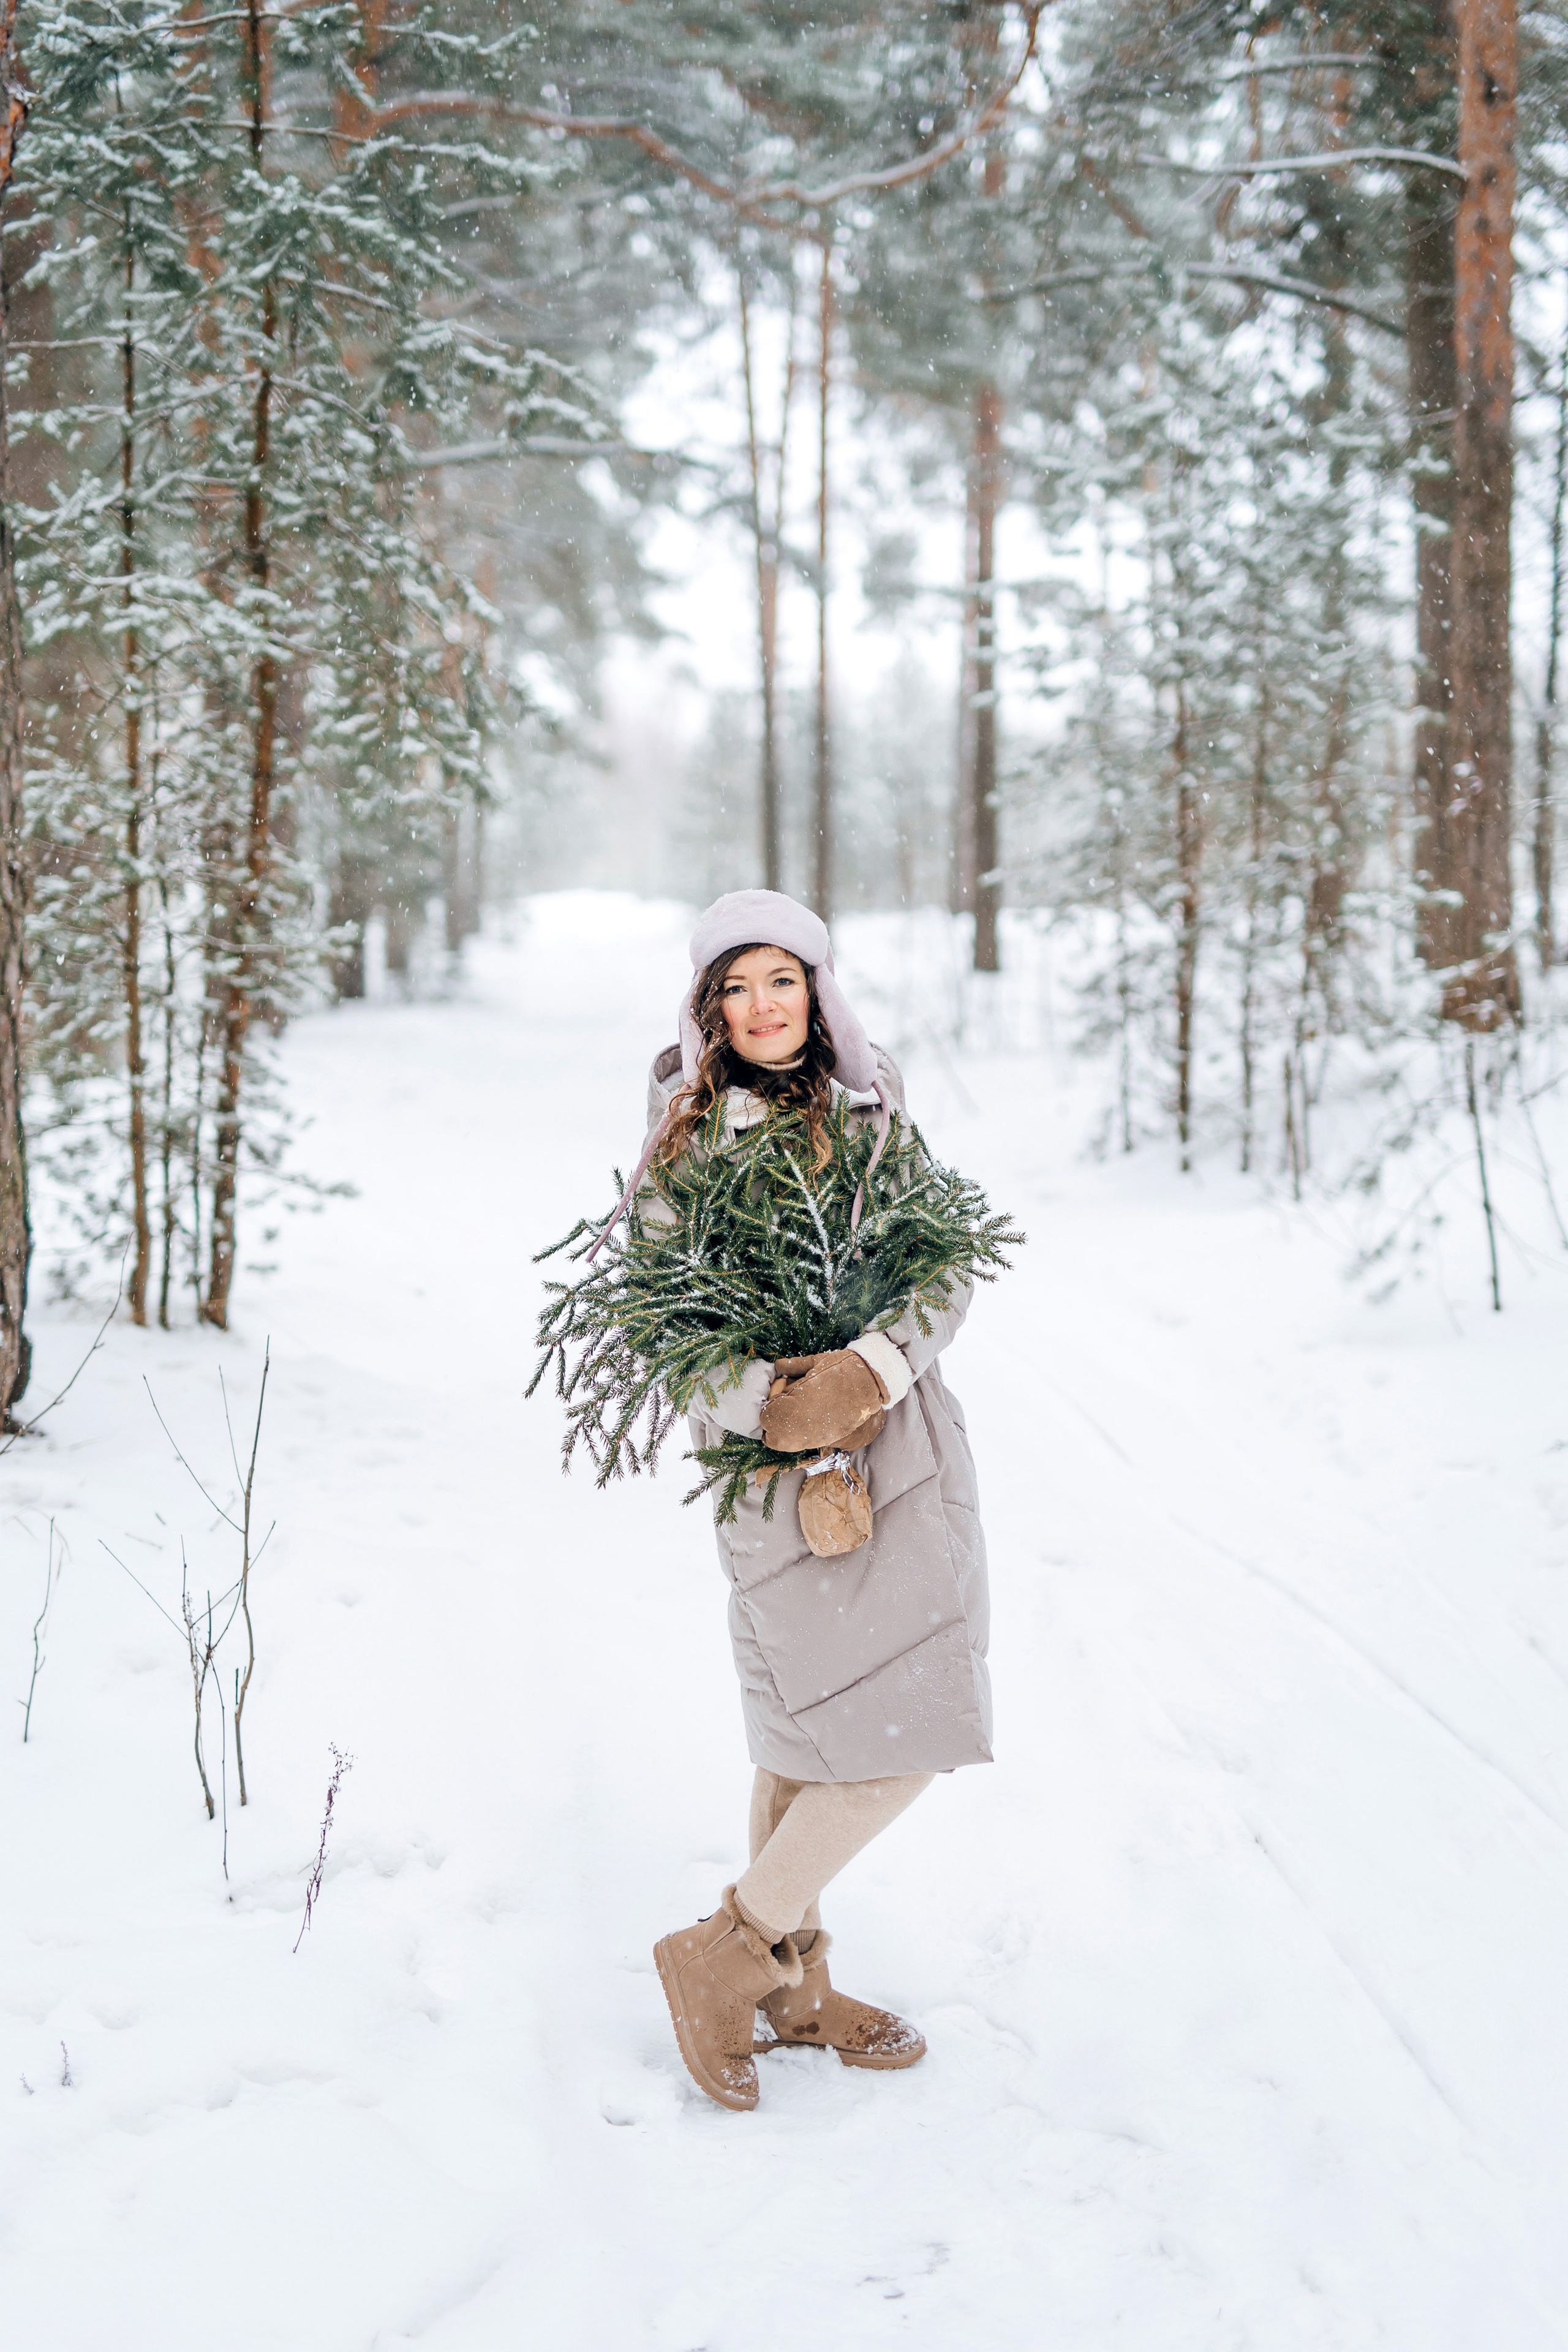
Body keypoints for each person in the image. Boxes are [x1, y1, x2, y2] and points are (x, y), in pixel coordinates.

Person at [631, 890, 992, 2113]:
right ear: (709, 1009)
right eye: (735, 988)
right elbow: (661, 1320)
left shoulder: (873, 1114)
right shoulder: (683, 1140)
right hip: (767, 1476)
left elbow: (945, 1270)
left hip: (897, 1458)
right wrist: (770, 1406)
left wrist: (867, 1370)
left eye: (780, 980)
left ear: (817, 990)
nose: (761, 1007)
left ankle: (755, 1967)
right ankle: (759, 1967)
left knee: (911, 1719)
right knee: (804, 1727)